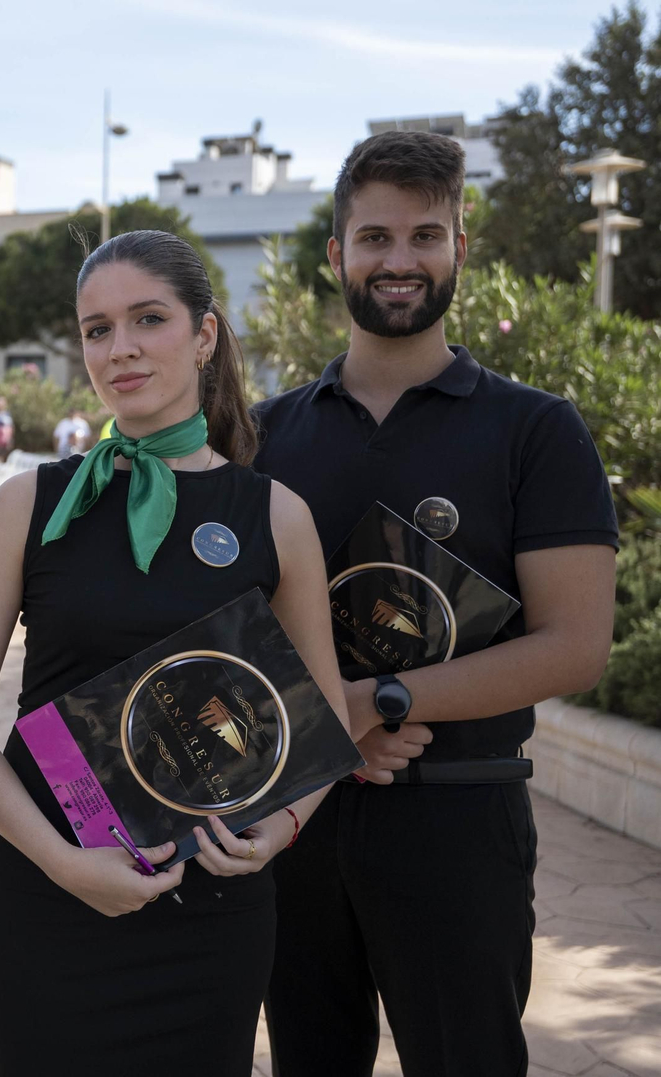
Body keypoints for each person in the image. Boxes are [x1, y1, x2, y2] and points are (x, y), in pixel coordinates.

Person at [0, 230, 350, 1075]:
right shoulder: (28, 504)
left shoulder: (276, 516)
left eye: (147, 319)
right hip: (43, 899)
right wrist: (63, 864)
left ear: (204, 334)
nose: (119, 348)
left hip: (214, 914)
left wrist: (283, 829)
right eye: (96, 328)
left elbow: (327, 720)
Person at [255, 131, 617, 1077]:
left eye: (426, 234)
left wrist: (382, 702)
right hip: (296, 823)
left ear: (462, 249)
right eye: (374, 236)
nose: (400, 260)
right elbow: (234, 626)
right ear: (336, 256)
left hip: (460, 817)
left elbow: (576, 646)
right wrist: (331, 725)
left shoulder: (536, 430)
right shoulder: (262, 435)